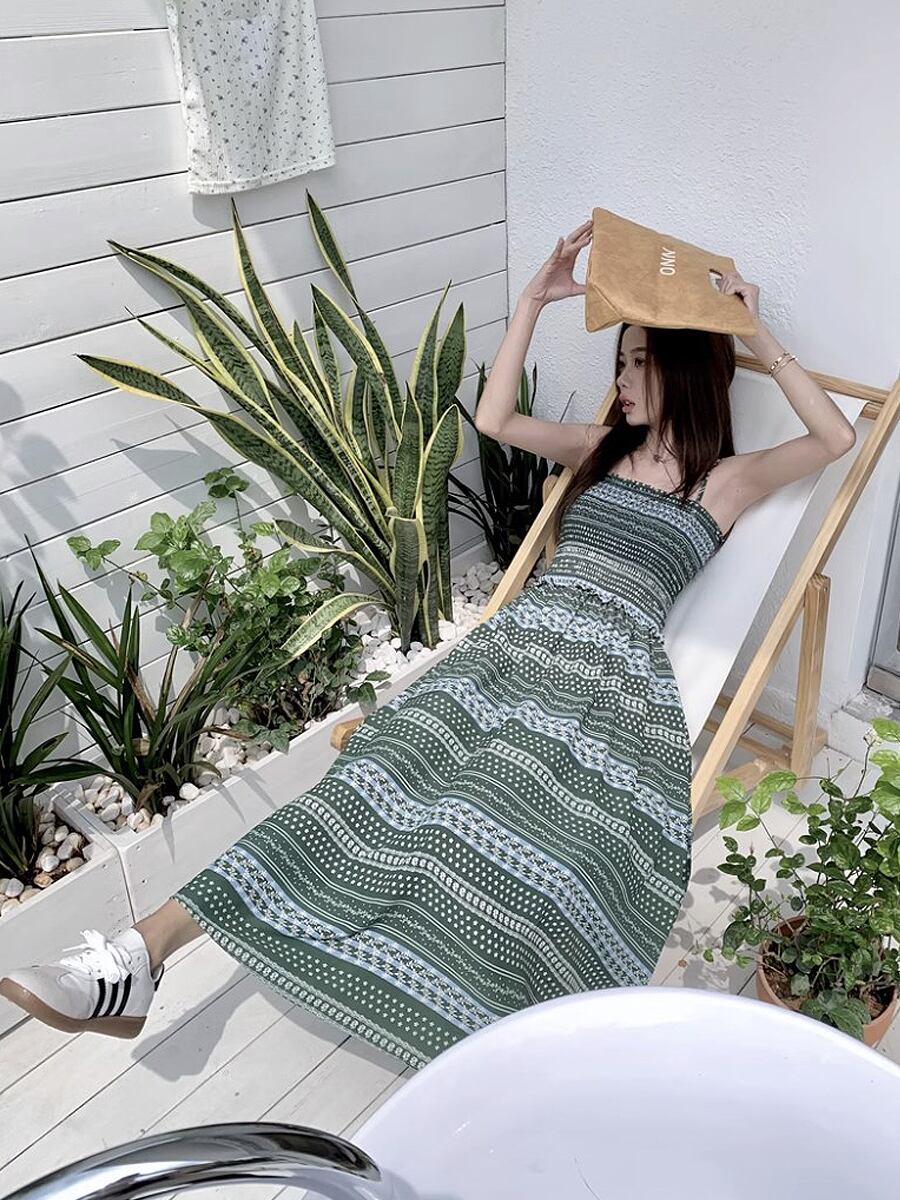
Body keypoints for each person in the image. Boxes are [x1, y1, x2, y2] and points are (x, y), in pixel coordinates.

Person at [1, 222, 857, 1069]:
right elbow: (493, 416)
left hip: (607, 684)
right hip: (513, 650)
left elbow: (835, 440)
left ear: (686, 370)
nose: (622, 380)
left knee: (534, 839)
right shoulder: (603, 448)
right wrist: (535, 298)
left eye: (639, 362)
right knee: (369, 783)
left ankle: (491, 1037)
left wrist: (753, 329)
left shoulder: (725, 481)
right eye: (621, 361)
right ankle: (136, 958)